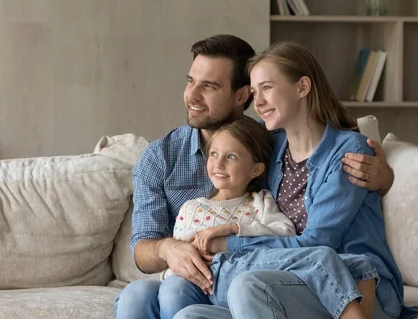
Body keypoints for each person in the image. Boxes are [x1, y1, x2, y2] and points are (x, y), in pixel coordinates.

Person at [114, 34, 396, 319]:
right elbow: (142, 248)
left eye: (209, 86)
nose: (192, 96)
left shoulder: (266, 143)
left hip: (324, 277)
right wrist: (170, 248)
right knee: (140, 298)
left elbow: (319, 238)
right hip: (255, 275)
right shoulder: (164, 156)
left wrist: (384, 179)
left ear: (240, 96)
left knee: (234, 288)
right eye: (190, 82)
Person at [158, 116, 378, 319]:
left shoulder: (261, 201)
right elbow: (179, 258)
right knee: (186, 315)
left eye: (231, 156)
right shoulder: (191, 208)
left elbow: (285, 234)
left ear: (256, 170)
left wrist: (235, 230)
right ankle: (337, 265)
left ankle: (339, 270)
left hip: (250, 271)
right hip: (212, 282)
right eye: (213, 154)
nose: (219, 163)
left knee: (261, 272)